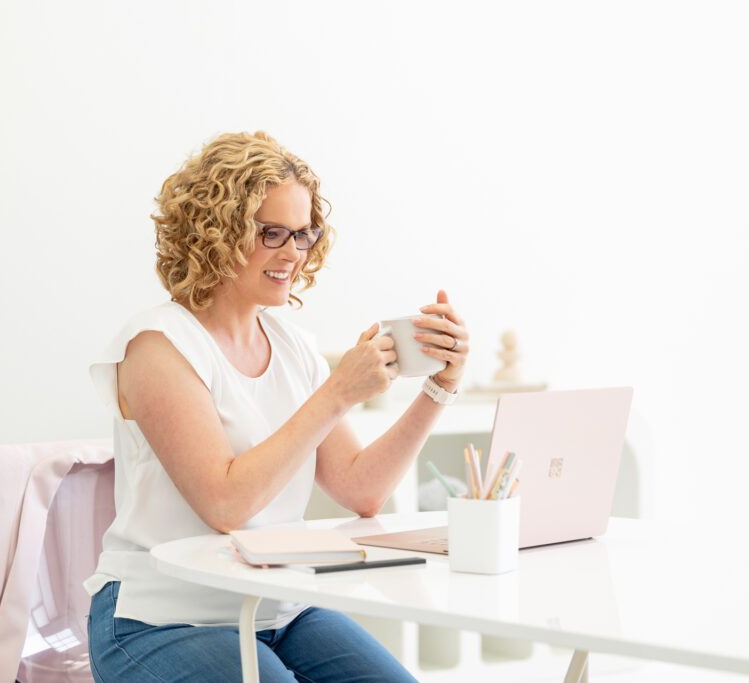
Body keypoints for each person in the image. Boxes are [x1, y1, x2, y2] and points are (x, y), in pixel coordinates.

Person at [85, 131, 470, 682]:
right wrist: (337, 393)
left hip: (278, 606)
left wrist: (438, 388)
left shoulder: (294, 346)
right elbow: (225, 504)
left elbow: (361, 491)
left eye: (304, 234)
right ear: (213, 233)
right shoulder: (156, 346)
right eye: (272, 233)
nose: (293, 253)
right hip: (163, 615)